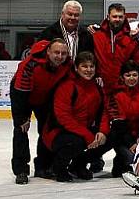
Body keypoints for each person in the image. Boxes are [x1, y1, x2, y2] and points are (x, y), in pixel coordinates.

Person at [42, 51, 110, 182]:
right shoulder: (67, 86)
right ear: (76, 68)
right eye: (84, 66)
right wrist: (87, 135)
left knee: (110, 136)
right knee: (77, 141)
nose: (89, 70)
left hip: (82, 131)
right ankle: (59, 168)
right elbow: (63, 117)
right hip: (57, 132)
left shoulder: (97, 87)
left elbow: (104, 112)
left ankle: (78, 165)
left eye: (91, 66)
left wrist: (102, 131)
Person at [9, 38, 70, 184]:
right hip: (23, 95)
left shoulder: (67, 65)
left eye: (63, 53)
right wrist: (22, 118)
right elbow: (19, 92)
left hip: (45, 97)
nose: (59, 56)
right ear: (48, 52)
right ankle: (21, 170)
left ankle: (43, 166)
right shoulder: (30, 65)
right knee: (21, 130)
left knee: (47, 131)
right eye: (56, 52)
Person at [104, 61, 139, 177]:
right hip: (123, 138)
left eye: (134, 75)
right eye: (128, 75)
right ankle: (120, 160)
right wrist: (131, 143)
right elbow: (119, 124)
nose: (131, 78)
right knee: (132, 159)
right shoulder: (115, 96)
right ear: (122, 77)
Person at [92, 3, 139, 96]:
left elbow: (137, 63)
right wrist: (95, 76)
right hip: (100, 88)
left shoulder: (131, 39)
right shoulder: (96, 36)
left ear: (124, 17)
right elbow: (90, 59)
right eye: (114, 16)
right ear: (108, 17)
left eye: (120, 17)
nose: (117, 20)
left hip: (122, 90)